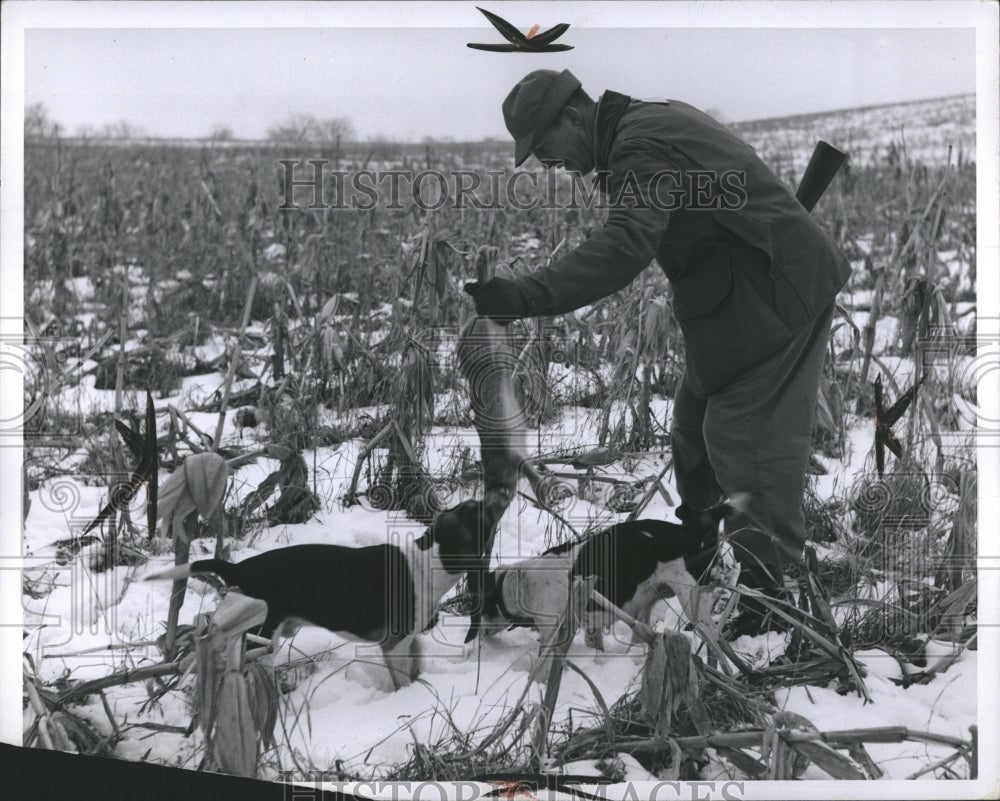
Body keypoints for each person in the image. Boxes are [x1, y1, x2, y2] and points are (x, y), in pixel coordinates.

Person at [463, 69, 852, 637]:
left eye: (548, 152)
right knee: (692, 426)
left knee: (740, 438)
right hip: (736, 301)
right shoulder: (642, 125)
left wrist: (524, 294)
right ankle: (699, 542)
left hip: (776, 296)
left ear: (572, 117)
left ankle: (777, 601)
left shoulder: (639, 146)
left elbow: (624, 245)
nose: (556, 168)